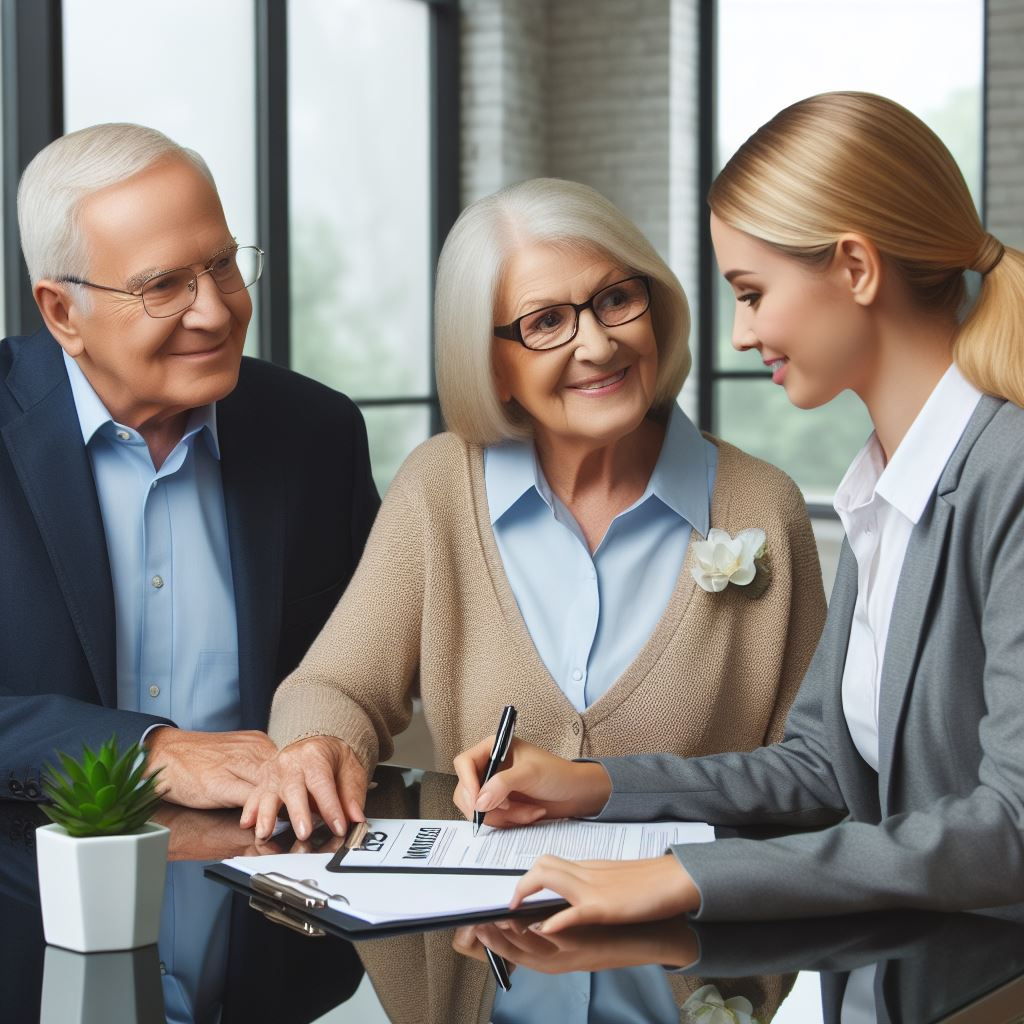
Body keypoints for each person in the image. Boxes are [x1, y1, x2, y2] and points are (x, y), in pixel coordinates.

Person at [249, 177, 824, 1021]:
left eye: (615, 300)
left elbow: (814, 783)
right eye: (545, 322)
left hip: (692, 975)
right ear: (494, 364)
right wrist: (313, 744)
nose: (596, 345)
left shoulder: (761, 507)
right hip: (478, 983)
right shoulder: (439, 488)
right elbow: (334, 683)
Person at [452, 91, 1024, 929]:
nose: (739, 335)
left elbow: (1011, 824)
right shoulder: (887, 482)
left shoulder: (1005, 474)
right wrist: (596, 783)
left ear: (856, 269)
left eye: (751, 293)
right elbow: (826, 766)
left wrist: (690, 878)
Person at [0, 122, 379, 812]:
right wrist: (148, 753)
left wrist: (328, 737)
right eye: (164, 286)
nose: (215, 312)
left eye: (224, 266)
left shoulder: (318, 433)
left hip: (263, 891)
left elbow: (364, 668)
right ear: (62, 313)